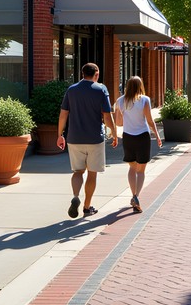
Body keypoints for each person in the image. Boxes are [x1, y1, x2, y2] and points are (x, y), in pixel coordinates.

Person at [57, 63, 118, 219]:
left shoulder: (72, 90)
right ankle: (86, 207)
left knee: (78, 172)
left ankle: (76, 196)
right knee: (92, 174)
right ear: (96, 74)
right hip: (94, 139)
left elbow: (63, 114)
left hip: (74, 138)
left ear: (82, 73)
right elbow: (107, 115)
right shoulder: (101, 90)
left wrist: (60, 134)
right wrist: (114, 132)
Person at [113, 76, 162, 213]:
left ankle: (133, 195)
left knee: (132, 168)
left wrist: (124, 114)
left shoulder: (120, 101)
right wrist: (157, 136)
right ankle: (136, 196)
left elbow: (118, 123)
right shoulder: (144, 100)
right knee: (141, 171)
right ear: (140, 86)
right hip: (142, 137)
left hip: (128, 137)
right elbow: (150, 120)